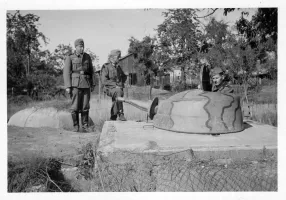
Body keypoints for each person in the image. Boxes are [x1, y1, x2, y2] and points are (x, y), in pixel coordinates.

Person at [63, 38, 95, 132]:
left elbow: (91, 71)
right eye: (80, 46)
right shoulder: (70, 57)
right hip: (75, 85)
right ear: (76, 47)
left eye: (83, 47)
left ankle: (85, 126)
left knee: (85, 106)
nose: (82, 48)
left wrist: (93, 84)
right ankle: (75, 126)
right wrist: (68, 86)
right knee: (75, 106)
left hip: (86, 84)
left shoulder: (87, 57)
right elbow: (66, 72)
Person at [101, 49, 127, 121]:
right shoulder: (106, 67)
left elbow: (124, 76)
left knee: (117, 94)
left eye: (119, 57)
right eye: (118, 57)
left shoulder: (118, 68)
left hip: (117, 88)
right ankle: (121, 113)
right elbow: (104, 81)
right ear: (112, 58)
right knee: (119, 92)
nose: (119, 59)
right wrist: (115, 85)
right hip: (108, 88)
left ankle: (113, 116)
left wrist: (121, 84)